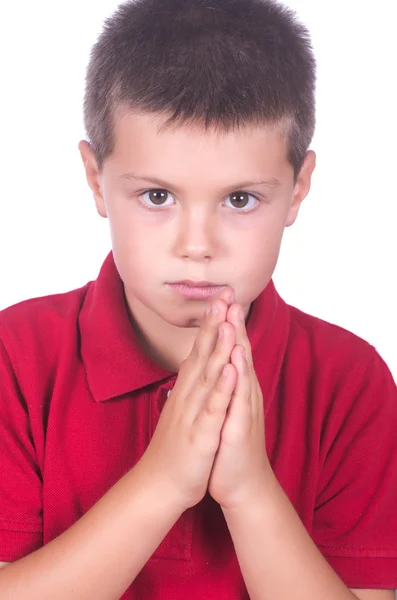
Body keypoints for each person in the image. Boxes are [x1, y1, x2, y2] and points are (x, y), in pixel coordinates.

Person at [0, 0, 396, 598]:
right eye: (158, 196)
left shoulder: (350, 382)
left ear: (298, 190)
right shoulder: (16, 358)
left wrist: (249, 490)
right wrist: (162, 482)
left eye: (240, 200)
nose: (197, 246)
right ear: (95, 179)